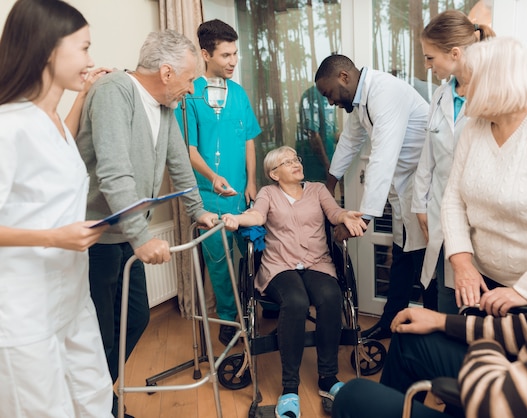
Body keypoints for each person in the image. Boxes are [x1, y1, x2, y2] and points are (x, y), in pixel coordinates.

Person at [332, 126, 527, 418]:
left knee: (355, 395)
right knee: (409, 336)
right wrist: (442, 321)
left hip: (508, 400)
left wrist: (480, 330)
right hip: (521, 374)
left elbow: (500, 403)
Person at [76, 30, 218, 417]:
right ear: (167, 72)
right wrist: (141, 237)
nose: (191, 89)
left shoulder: (165, 107)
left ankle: (99, 398)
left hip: (126, 234)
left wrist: (198, 211)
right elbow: (114, 172)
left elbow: (179, 164)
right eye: (189, 79)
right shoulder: (114, 91)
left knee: (136, 318)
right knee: (100, 334)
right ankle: (98, 403)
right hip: (97, 237)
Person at [0, 0, 112, 416]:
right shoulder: (8, 127)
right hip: (23, 312)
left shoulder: (54, 127)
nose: (90, 59)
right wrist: (53, 237)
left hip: (71, 299)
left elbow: (54, 144)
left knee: (95, 401)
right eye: (82, 48)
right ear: (48, 49)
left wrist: (82, 94)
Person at [221, 146, 367, 418]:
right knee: (296, 301)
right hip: (280, 266)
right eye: (287, 162)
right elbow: (257, 217)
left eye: (296, 159)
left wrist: (346, 216)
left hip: (317, 262)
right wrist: (237, 219)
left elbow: (334, 213)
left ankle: (328, 378)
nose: (296, 164)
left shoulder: (318, 190)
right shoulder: (268, 193)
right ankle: (290, 388)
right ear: (274, 174)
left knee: (331, 296)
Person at [440, 37, 527, 316]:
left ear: (493, 83)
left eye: (466, 83)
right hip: (481, 280)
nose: (462, 91)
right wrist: (462, 262)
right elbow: (453, 198)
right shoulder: (475, 126)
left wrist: (524, 290)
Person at [315, 54, 431, 341]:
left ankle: (428, 336)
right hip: (404, 188)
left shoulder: (384, 91)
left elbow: (382, 156)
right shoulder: (358, 103)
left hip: (426, 189)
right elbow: (350, 142)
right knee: (403, 258)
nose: (330, 102)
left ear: (344, 76)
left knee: (426, 267)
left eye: (329, 93)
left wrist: (362, 220)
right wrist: (329, 185)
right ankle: (390, 322)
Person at [175, 19, 261, 346]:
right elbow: (189, 150)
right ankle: (229, 319)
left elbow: (249, 140)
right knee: (220, 263)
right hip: (209, 197)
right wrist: (213, 177)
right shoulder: (190, 94)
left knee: (254, 254)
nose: (233, 61)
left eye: (235, 54)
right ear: (206, 54)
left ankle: (256, 307)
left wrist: (252, 182)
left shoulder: (238, 94)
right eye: (225, 55)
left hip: (242, 194)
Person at [412, 10, 495, 314]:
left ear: (455, 53)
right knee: (443, 288)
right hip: (438, 206)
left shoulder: (491, 95)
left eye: (430, 57)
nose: (427, 65)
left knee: (472, 296)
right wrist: (419, 204)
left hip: (477, 213)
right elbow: (428, 153)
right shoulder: (438, 95)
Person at [297, 85, 339, 182]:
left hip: (329, 161)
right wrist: (327, 166)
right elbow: (314, 137)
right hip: (316, 165)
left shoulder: (331, 95)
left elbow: (328, 134)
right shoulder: (311, 96)